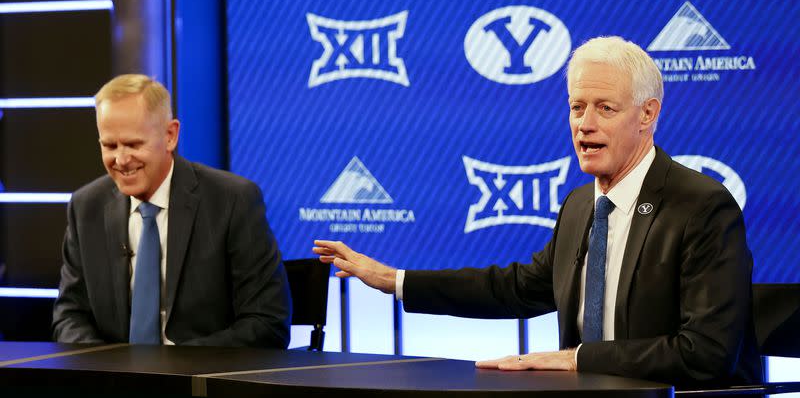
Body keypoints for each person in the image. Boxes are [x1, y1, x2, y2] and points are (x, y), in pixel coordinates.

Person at [314, 36, 761, 388]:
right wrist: (395, 280)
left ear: (647, 114)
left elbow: (706, 352)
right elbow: (516, 288)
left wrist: (574, 359)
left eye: (605, 108)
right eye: (577, 107)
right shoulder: (581, 205)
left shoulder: (701, 206)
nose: (585, 124)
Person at [52, 74, 291, 348]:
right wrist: (109, 368)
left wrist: (175, 369)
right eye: (109, 145)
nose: (121, 159)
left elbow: (267, 323)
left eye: (133, 144)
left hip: (203, 381)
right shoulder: (86, 207)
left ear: (170, 136)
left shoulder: (232, 201)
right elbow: (69, 315)